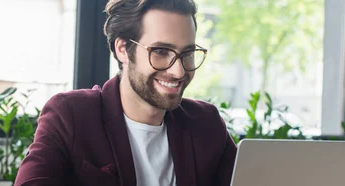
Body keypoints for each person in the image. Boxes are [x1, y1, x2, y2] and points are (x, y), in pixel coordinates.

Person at [14, 0, 236, 185]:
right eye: (160, 51)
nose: (178, 71)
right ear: (123, 50)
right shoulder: (71, 115)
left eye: (187, 53)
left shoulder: (206, 124)